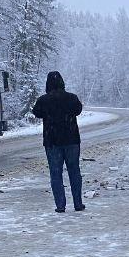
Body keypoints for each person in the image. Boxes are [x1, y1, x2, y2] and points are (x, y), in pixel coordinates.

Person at [32, 71, 85, 213]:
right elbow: (78, 110)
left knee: (56, 173)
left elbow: (36, 112)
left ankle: (60, 205)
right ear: (62, 82)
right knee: (74, 171)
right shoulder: (72, 98)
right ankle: (78, 203)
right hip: (71, 139)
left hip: (52, 141)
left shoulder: (43, 100)